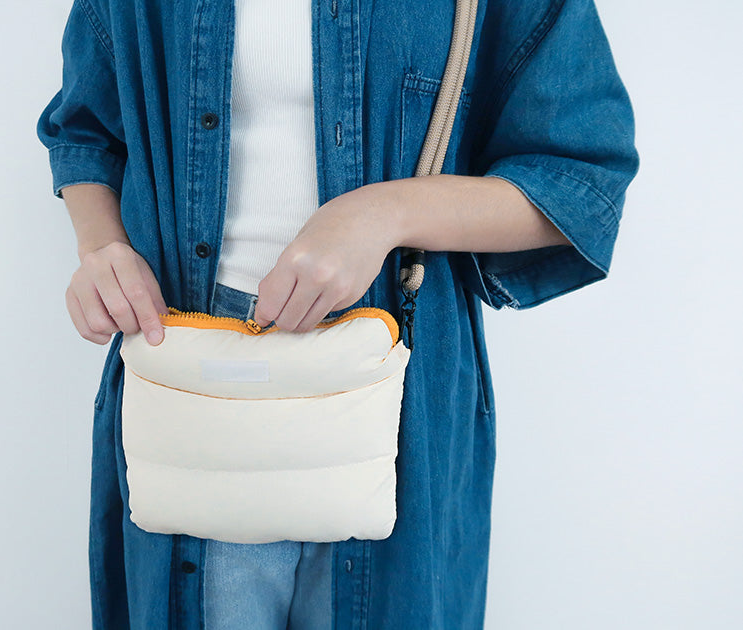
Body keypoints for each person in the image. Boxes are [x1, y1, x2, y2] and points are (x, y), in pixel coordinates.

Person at [35, 0, 639, 628]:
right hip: (192, 376)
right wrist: (100, 247)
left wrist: (383, 213)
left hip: (402, 378)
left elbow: (581, 181)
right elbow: (87, 130)